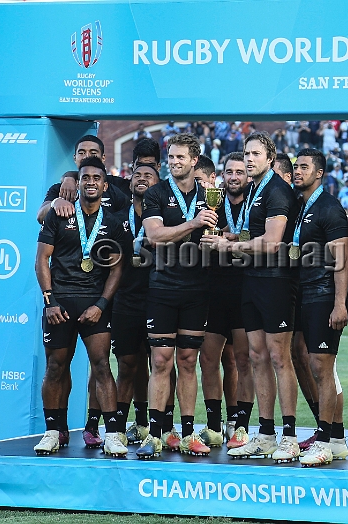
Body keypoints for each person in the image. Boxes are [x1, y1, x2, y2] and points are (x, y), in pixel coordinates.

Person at [205, 132, 301, 463]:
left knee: (279, 358)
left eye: (256, 153)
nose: (249, 159)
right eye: (246, 153)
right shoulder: (254, 191)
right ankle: (266, 434)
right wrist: (229, 236)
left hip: (276, 281)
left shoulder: (277, 190)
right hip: (252, 280)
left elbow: (273, 241)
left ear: (270, 158)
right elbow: (253, 234)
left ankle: (289, 436)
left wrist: (229, 247)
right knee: (257, 357)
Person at [34, 156, 129, 457]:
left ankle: (113, 433)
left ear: (104, 185)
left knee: (102, 366)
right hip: (60, 303)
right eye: (85, 177)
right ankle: (52, 430)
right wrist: (49, 301)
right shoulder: (58, 215)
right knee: (55, 367)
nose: (91, 182)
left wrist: (101, 304)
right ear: (79, 183)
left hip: (93, 306)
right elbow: (41, 260)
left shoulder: (112, 223)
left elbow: (116, 269)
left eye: (96, 178)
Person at [136, 133, 218, 459]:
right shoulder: (156, 193)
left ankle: (186, 433)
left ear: (194, 161)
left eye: (181, 157)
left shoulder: (211, 194)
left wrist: (219, 236)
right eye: (171, 157)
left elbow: (216, 232)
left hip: (197, 289)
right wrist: (194, 222)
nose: (174, 162)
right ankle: (155, 434)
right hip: (163, 287)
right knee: (160, 360)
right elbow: (155, 236)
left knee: (188, 361)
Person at [290, 149, 348, 466]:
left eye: (304, 167)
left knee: (322, 368)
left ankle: (325, 440)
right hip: (301, 292)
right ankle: (333, 437)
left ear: (319, 173)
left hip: (323, 293)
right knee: (305, 360)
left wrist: (340, 304)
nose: (298, 171)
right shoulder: (300, 207)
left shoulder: (330, 208)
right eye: (296, 166)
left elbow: (342, 260)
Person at [198, 152, 255, 450]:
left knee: (241, 360)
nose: (234, 177)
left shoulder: (256, 203)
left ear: (248, 175)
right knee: (207, 358)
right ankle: (213, 425)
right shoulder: (212, 204)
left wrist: (228, 239)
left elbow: (260, 242)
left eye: (239, 172)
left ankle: (241, 425)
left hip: (246, 291)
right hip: (213, 289)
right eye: (229, 172)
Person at [112, 161, 160, 445]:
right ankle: (119, 426)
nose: (141, 178)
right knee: (127, 365)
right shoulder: (117, 218)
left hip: (159, 298)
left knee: (161, 364)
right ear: (130, 183)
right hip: (126, 300)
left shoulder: (167, 217)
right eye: (137, 175)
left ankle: (162, 426)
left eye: (149, 175)